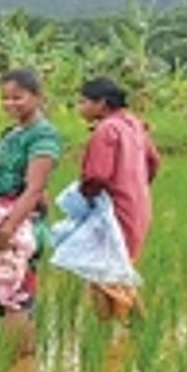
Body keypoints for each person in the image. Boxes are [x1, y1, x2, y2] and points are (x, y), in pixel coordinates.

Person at [0, 67, 62, 358]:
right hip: (0, 216)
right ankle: (14, 368)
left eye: (18, 98)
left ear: (37, 97)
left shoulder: (43, 135)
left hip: (16, 222)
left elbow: (35, 189)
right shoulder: (14, 132)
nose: (10, 104)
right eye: (5, 98)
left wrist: (8, 229)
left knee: (15, 295)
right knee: (1, 289)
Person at [75, 76, 161, 323]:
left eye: (83, 102)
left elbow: (96, 175)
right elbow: (154, 162)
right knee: (118, 273)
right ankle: (137, 336)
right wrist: (135, 187)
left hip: (114, 212)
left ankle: (109, 338)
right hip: (137, 208)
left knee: (103, 277)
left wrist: (84, 197)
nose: (79, 108)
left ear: (101, 103)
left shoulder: (107, 129)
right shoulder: (134, 124)